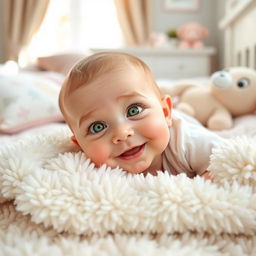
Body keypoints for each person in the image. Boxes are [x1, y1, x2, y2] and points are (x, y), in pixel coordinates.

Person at [59, 52, 223, 178]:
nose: (122, 133)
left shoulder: (186, 141)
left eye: (134, 110)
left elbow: (225, 163)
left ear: (165, 112)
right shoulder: (89, 173)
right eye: (97, 127)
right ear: (80, 145)